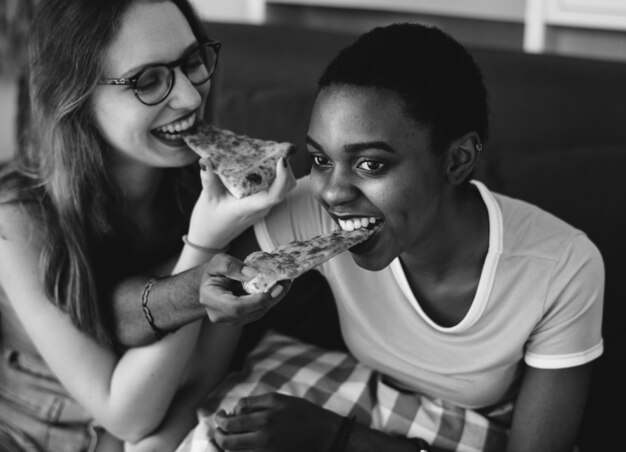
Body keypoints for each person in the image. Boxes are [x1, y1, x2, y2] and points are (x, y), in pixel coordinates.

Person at [169, 23, 604, 452]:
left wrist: (334, 436)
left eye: (371, 164)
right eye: (321, 158)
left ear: (457, 160)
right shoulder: (310, 210)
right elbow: (194, 364)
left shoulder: (562, 266)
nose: (333, 193)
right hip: (353, 387)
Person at [0, 0, 295, 451]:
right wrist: (202, 245)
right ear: (74, 96)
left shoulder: (223, 185)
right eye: (148, 80)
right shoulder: (18, 219)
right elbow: (127, 414)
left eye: (192, 61)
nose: (192, 97)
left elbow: (200, 374)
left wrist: (161, 444)